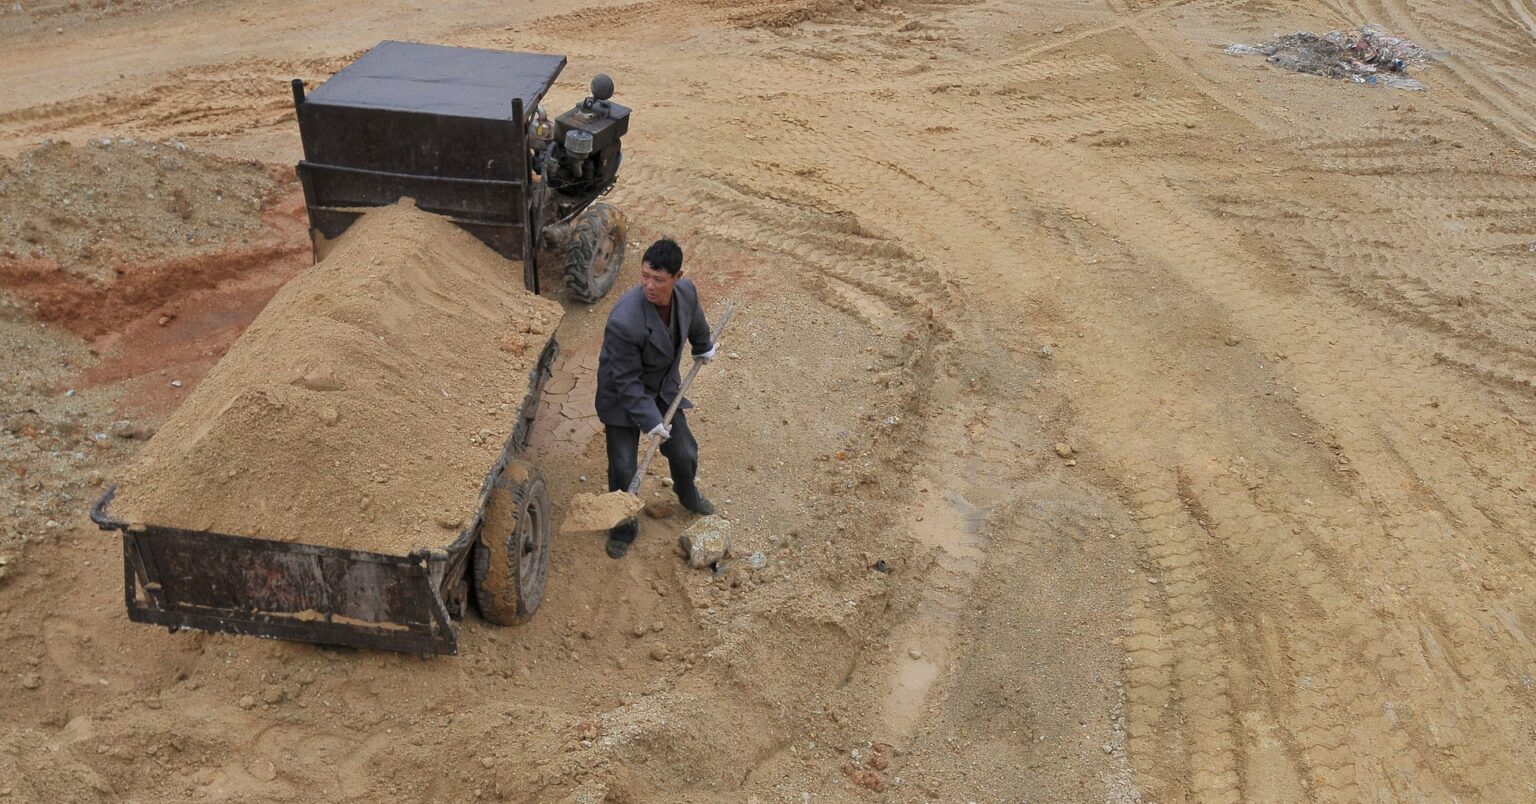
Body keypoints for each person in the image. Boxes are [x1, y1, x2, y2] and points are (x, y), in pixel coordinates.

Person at [594, 238, 716, 559]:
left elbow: (695, 321)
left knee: (685, 450)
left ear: (677, 277)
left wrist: (703, 345)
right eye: (644, 275)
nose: (649, 285)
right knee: (623, 467)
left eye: (658, 279)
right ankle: (622, 527)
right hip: (622, 397)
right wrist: (650, 421)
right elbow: (626, 381)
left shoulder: (686, 293)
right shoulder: (625, 320)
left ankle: (687, 494)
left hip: (661, 390)